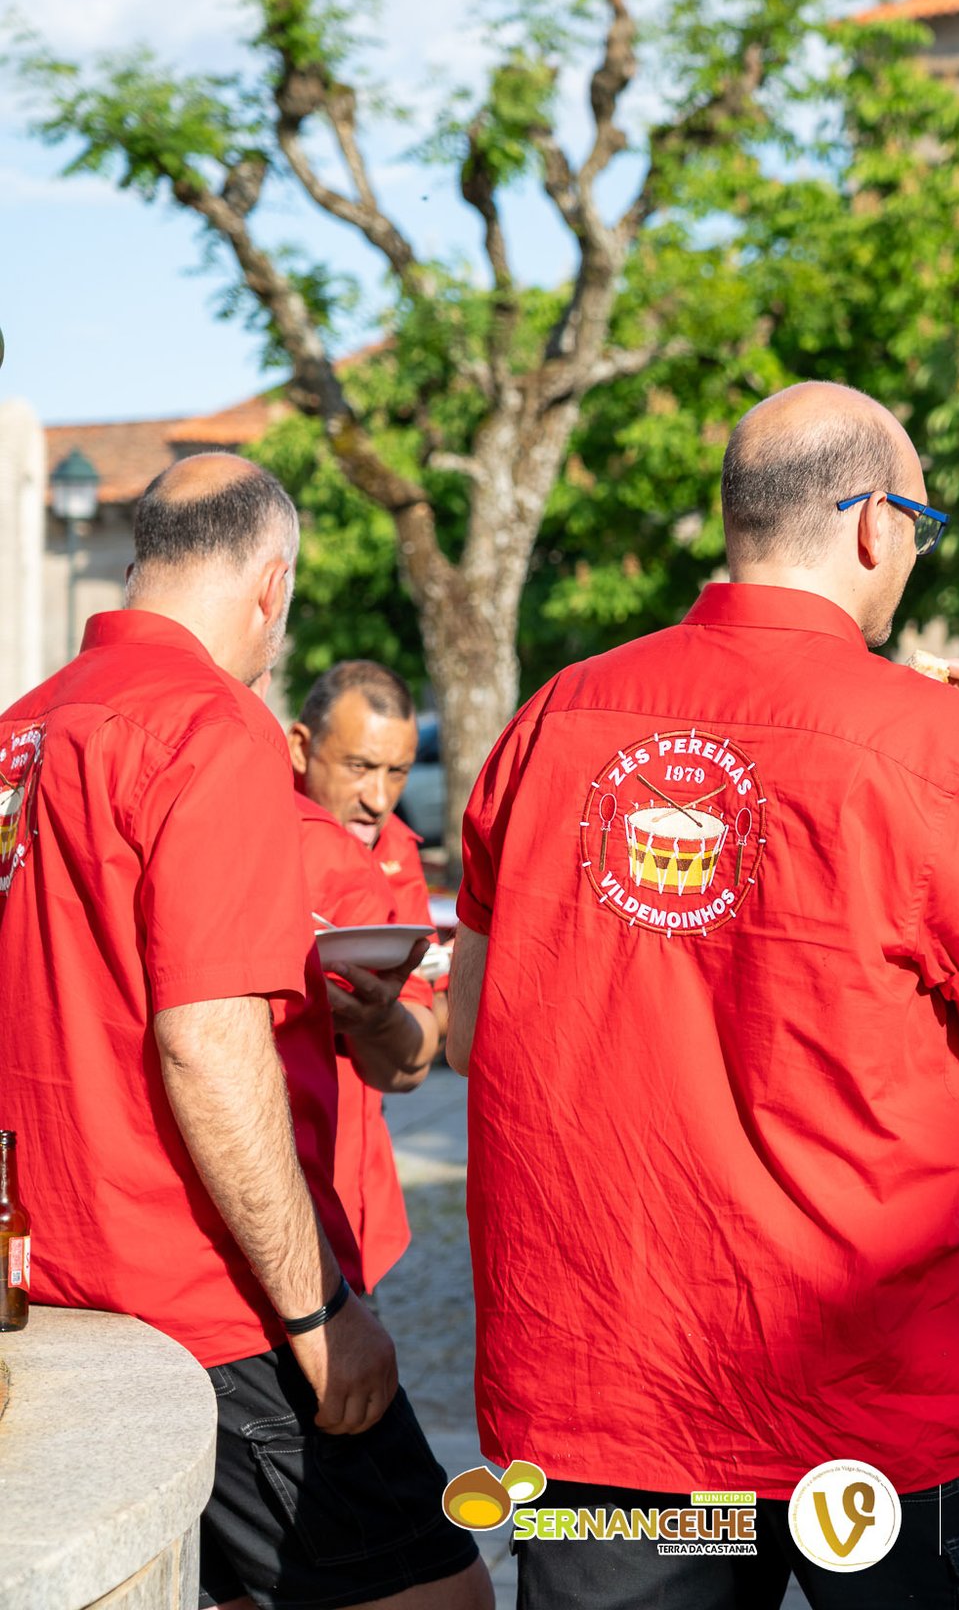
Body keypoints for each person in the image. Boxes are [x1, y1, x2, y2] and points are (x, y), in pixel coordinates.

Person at [449, 382, 959, 1610]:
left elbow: (482, 1030)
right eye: (922, 522)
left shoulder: (554, 714)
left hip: (610, 1383)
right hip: (871, 1389)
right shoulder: (924, 740)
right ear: (872, 525)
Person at [0, 455, 488, 1610]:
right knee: (441, 1596)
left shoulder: (24, 726)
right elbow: (207, 1042)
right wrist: (319, 1312)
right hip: (195, 1285)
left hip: (50, 1271)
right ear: (271, 584)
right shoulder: (209, 726)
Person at [290, 661, 440, 1291]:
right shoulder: (243, 824)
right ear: (301, 747)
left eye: (397, 772)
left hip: (352, 1202)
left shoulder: (397, 850)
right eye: (358, 767)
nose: (379, 798)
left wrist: (382, 1018)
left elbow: (411, 1062)